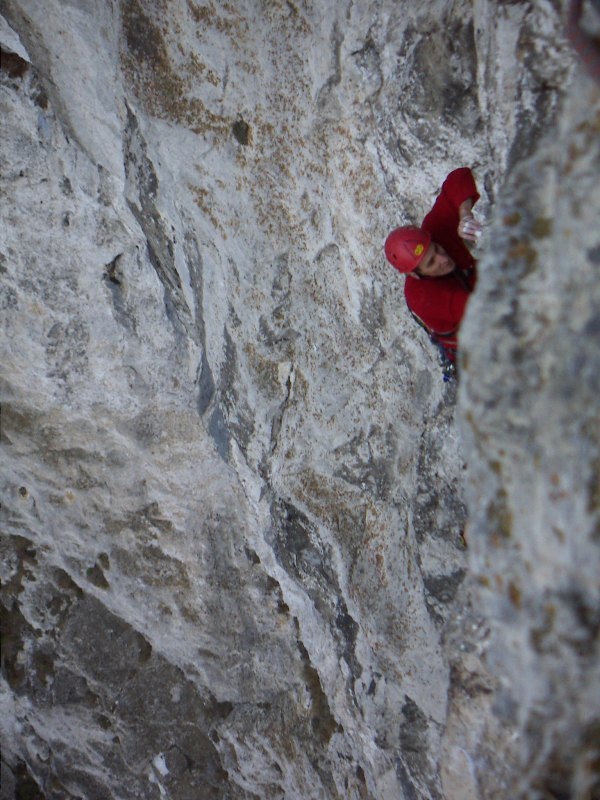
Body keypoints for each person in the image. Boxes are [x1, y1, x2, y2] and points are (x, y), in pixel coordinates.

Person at [384, 168, 483, 367]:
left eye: (436, 248)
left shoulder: (434, 231)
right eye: (431, 262)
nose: (442, 258)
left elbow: (459, 177)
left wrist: (464, 214)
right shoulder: (423, 297)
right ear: (415, 274)